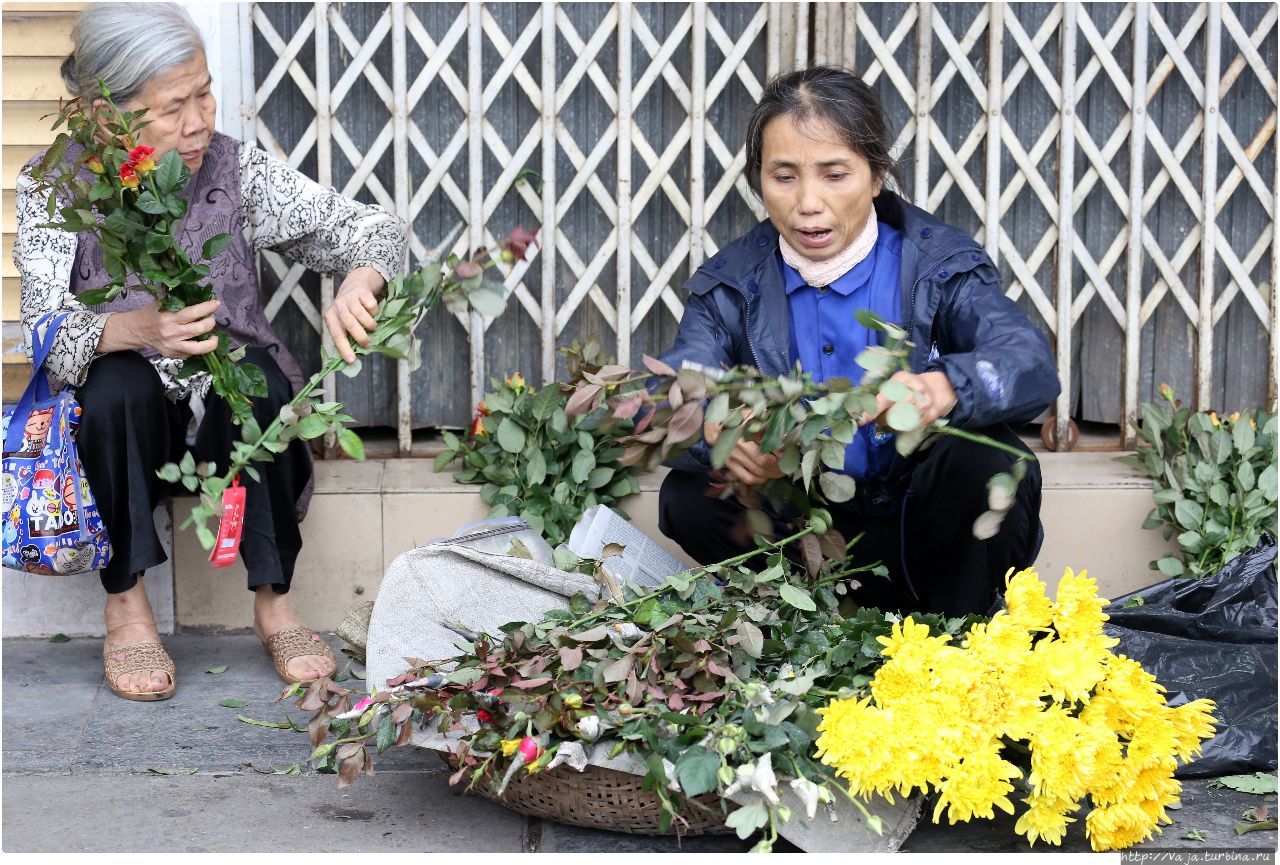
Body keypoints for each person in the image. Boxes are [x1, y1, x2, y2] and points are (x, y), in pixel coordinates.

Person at [14, 4, 407, 700]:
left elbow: (372, 227)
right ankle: (127, 605)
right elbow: (43, 330)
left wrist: (360, 277)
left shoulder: (232, 167)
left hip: (221, 415)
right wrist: (139, 329)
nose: (199, 120)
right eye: (173, 107)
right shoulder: (55, 186)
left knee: (259, 385)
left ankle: (274, 601)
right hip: (132, 424)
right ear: (108, 117)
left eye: (204, 92)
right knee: (116, 388)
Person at [657, 67, 1060, 618]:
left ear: (876, 177)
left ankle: (957, 635)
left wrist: (943, 388)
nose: (808, 202)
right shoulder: (731, 284)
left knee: (988, 462)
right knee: (689, 496)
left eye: (834, 174)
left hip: (924, 523)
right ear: (759, 182)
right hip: (807, 531)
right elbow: (670, 395)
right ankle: (805, 628)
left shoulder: (936, 265)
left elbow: (1029, 364)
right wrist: (722, 433)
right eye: (784, 176)